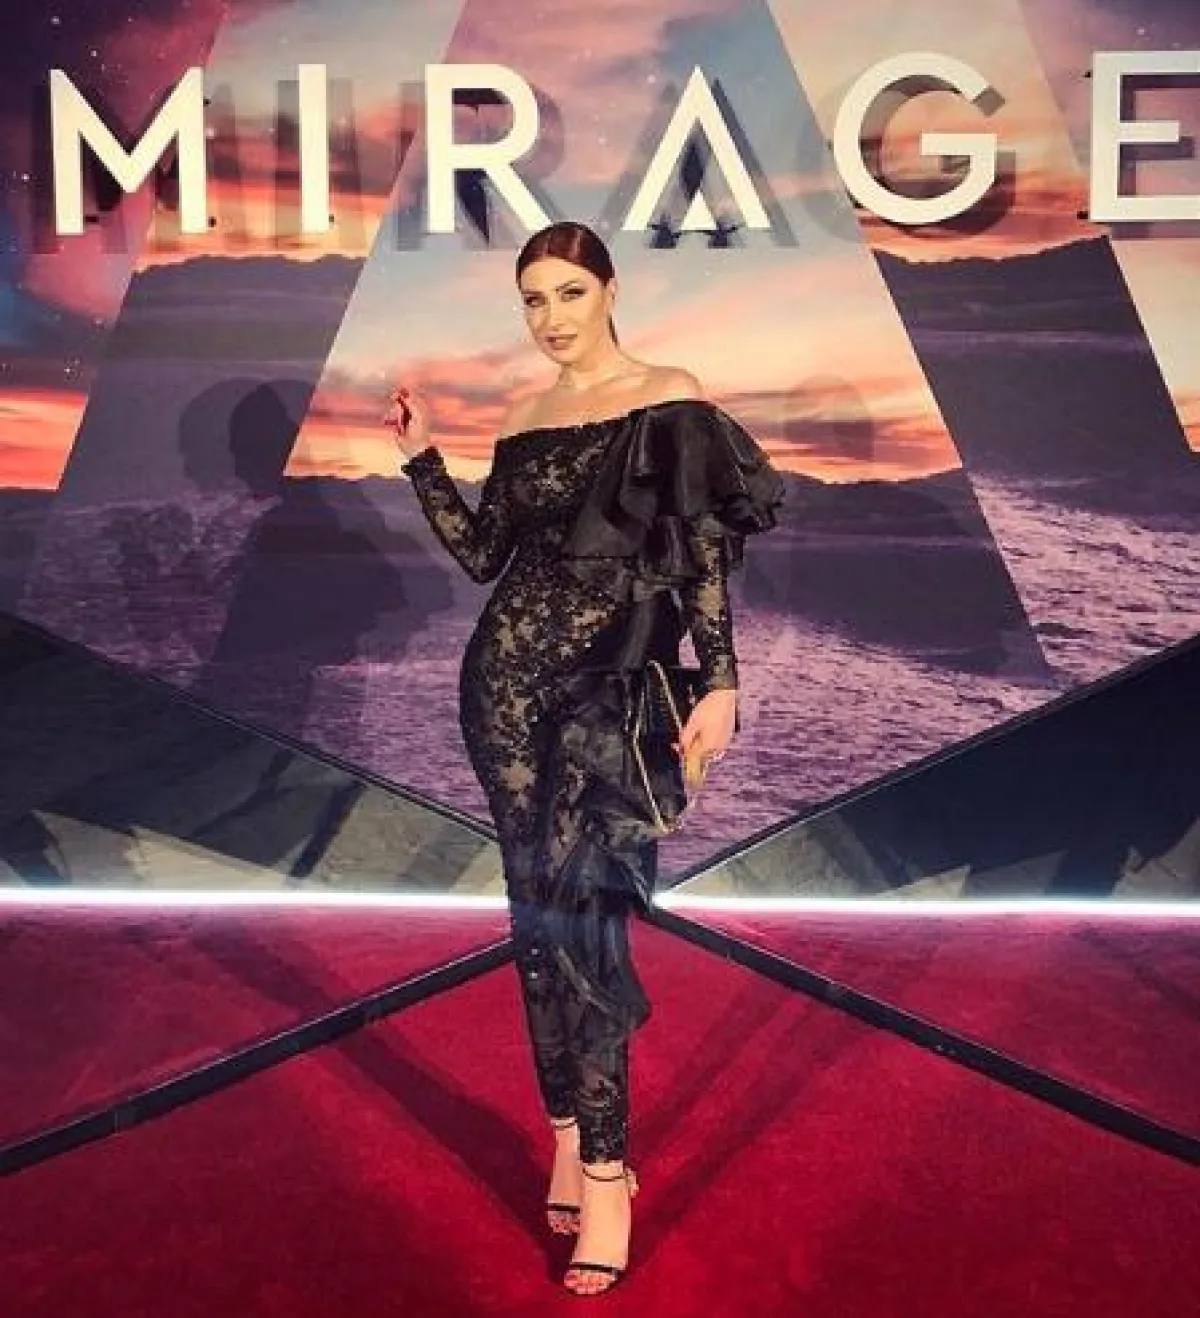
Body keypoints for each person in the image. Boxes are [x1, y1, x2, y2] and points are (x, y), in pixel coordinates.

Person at [384, 220, 782, 1295]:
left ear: (609, 289)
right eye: (532, 298)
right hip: (501, 693)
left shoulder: (668, 396)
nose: (550, 317)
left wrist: (721, 680)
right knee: (532, 914)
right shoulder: (523, 414)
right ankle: (564, 1132)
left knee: (588, 917)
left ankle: (608, 1175)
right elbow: (484, 559)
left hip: (606, 700)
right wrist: (423, 458)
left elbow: (701, 557)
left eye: (568, 292)